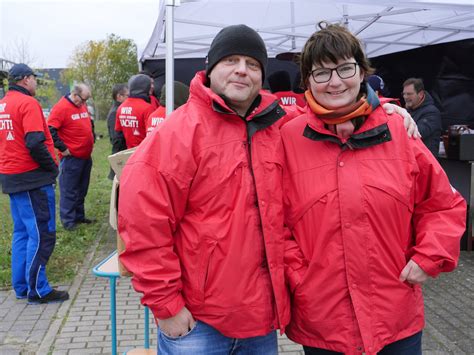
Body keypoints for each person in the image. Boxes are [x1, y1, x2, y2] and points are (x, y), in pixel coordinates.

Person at [117, 24, 418, 354]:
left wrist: (384, 107)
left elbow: (335, 107)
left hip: (259, 323)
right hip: (197, 323)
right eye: (231, 60)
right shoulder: (177, 133)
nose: (242, 71)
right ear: (210, 67)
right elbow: (142, 224)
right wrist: (167, 307)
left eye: (253, 64)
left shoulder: (281, 123)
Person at [281, 22, 466, 355]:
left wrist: (429, 257)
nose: (335, 82)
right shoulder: (287, 139)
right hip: (323, 321)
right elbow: (271, 218)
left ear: (362, 72)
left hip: (394, 318)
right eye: (321, 73)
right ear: (307, 80)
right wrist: (300, 275)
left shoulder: (398, 130)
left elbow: (444, 205)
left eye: (344, 69)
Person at [0, 63, 69, 304]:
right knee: (41, 234)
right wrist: (52, 167)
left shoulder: (3, 103)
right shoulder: (28, 103)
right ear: (26, 79)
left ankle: (22, 286)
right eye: (34, 79)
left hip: (11, 176)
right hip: (31, 178)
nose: (36, 83)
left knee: (22, 233)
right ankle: (38, 289)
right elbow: (34, 142)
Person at [48, 83, 95, 231]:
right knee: (69, 190)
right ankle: (68, 221)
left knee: (82, 188)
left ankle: (79, 216)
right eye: (83, 99)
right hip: (71, 158)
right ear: (75, 95)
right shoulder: (60, 108)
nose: (84, 103)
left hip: (85, 156)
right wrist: (63, 148)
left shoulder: (81, 105)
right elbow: (50, 130)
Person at [403, 77, 442, 157]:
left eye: (409, 94)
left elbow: (417, 133)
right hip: (411, 161)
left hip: (426, 163)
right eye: (404, 94)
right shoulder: (406, 111)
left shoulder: (432, 112)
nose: (405, 97)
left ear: (420, 94)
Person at [114, 74, 154, 149]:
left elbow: (118, 135)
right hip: (143, 152)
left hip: (129, 153)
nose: (152, 87)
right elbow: (152, 136)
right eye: (150, 85)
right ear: (145, 88)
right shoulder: (147, 108)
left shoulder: (121, 107)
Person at [107, 83, 129, 179]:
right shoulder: (114, 113)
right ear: (119, 97)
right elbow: (115, 139)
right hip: (120, 156)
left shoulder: (120, 110)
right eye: (128, 96)